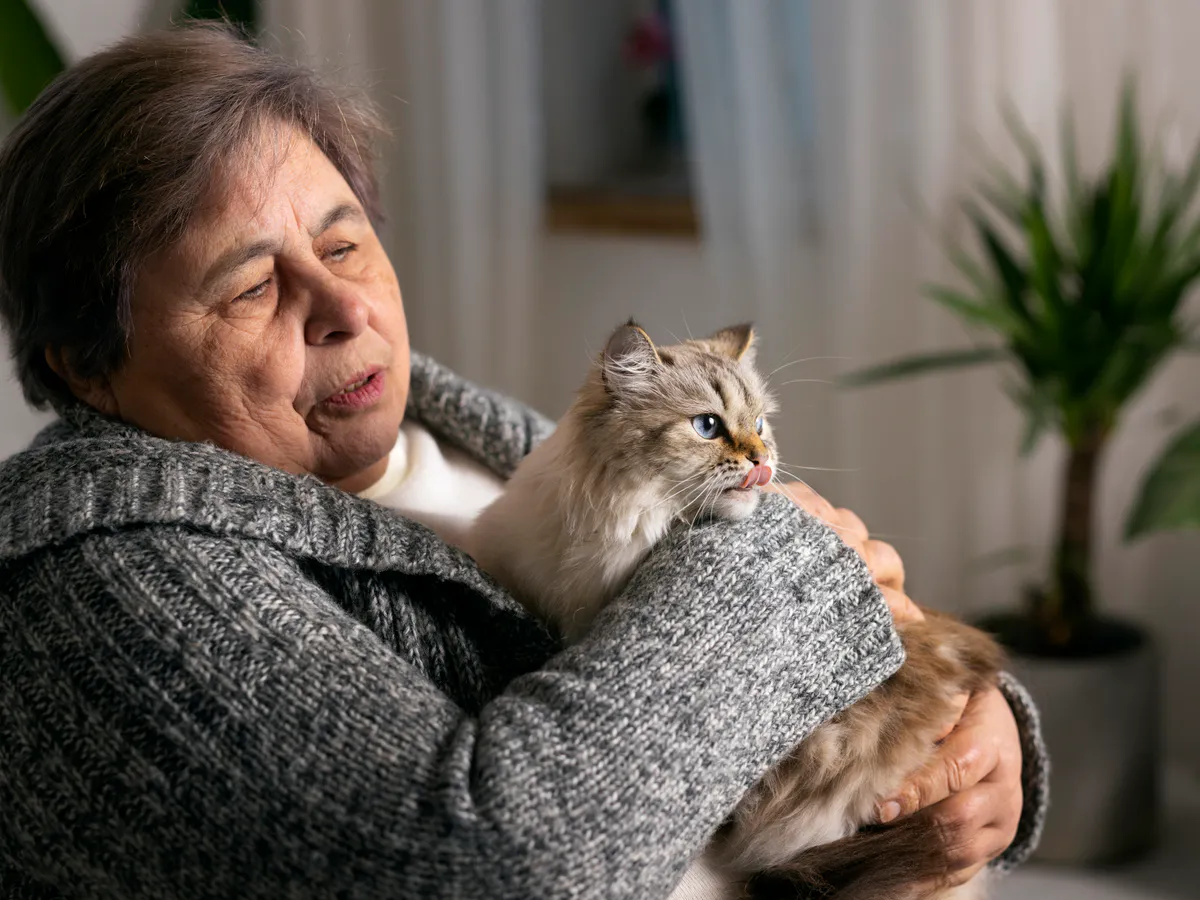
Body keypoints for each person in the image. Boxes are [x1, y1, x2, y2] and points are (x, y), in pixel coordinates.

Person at [0, 25, 1046, 900]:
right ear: (88, 369)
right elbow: (492, 871)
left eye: (345, 243)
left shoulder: (477, 430)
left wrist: (976, 733)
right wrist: (786, 575)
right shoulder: (93, 584)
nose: (345, 307)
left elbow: (761, 681)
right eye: (252, 288)